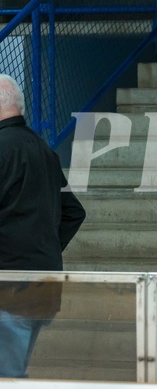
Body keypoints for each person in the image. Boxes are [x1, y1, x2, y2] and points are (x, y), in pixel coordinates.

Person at [0, 74, 86, 378]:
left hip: (7, 291)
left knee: (7, 376)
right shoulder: (44, 150)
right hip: (42, 291)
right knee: (14, 373)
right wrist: (42, 249)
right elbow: (74, 212)